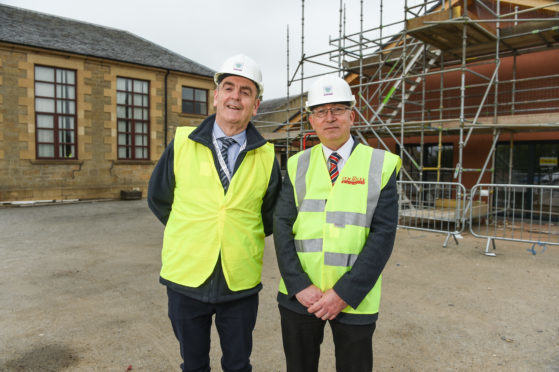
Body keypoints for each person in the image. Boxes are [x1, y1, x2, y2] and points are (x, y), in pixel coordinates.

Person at [147, 54, 281, 372]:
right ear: (216, 96)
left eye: (245, 91)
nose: (235, 96)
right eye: (229, 88)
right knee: (193, 365)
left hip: (240, 282)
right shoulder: (182, 144)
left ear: (256, 104)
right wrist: (193, 229)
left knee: (238, 364)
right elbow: (158, 198)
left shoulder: (266, 156)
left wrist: (235, 232)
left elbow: (269, 214)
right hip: (186, 278)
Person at [273, 75, 401, 372]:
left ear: (352, 116)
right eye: (321, 111)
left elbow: (383, 236)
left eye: (338, 110)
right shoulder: (296, 164)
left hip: (355, 298)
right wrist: (298, 284)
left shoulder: (380, 164)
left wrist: (344, 293)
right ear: (312, 120)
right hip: (301, 295)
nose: (329, 118)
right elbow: (281, 227)